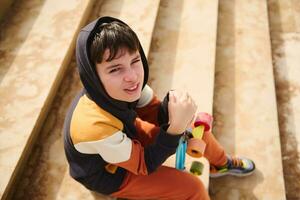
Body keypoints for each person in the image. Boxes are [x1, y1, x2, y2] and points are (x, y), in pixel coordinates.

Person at [63, 16, 255, 200]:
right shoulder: (92, 126)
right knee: (193, 189)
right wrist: (174, 130)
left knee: (195, 129)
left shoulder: (124, 87)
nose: (132, 77)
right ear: (92, 76)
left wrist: (173, 107)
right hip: (108, 172)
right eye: (115, 69)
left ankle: (220, 163)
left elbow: (153, 112)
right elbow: (144, 164)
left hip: (125, 136)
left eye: (135, 61)